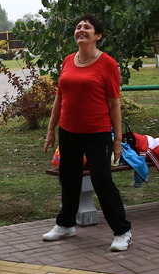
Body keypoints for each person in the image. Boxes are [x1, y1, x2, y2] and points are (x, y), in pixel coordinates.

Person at [42, 14, 133, 251]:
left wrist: (118, 140)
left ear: (97, 35)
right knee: (68, 178)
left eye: (87, 27)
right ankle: (66, 224)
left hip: (97, 133)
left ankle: (122, 231)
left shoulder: (107, 64)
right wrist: (51, 129)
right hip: (69, 131)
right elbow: (60, 97)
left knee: (102, 181)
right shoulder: (68, 60)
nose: (81, 30)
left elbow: (114, 103)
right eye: (78, 27)